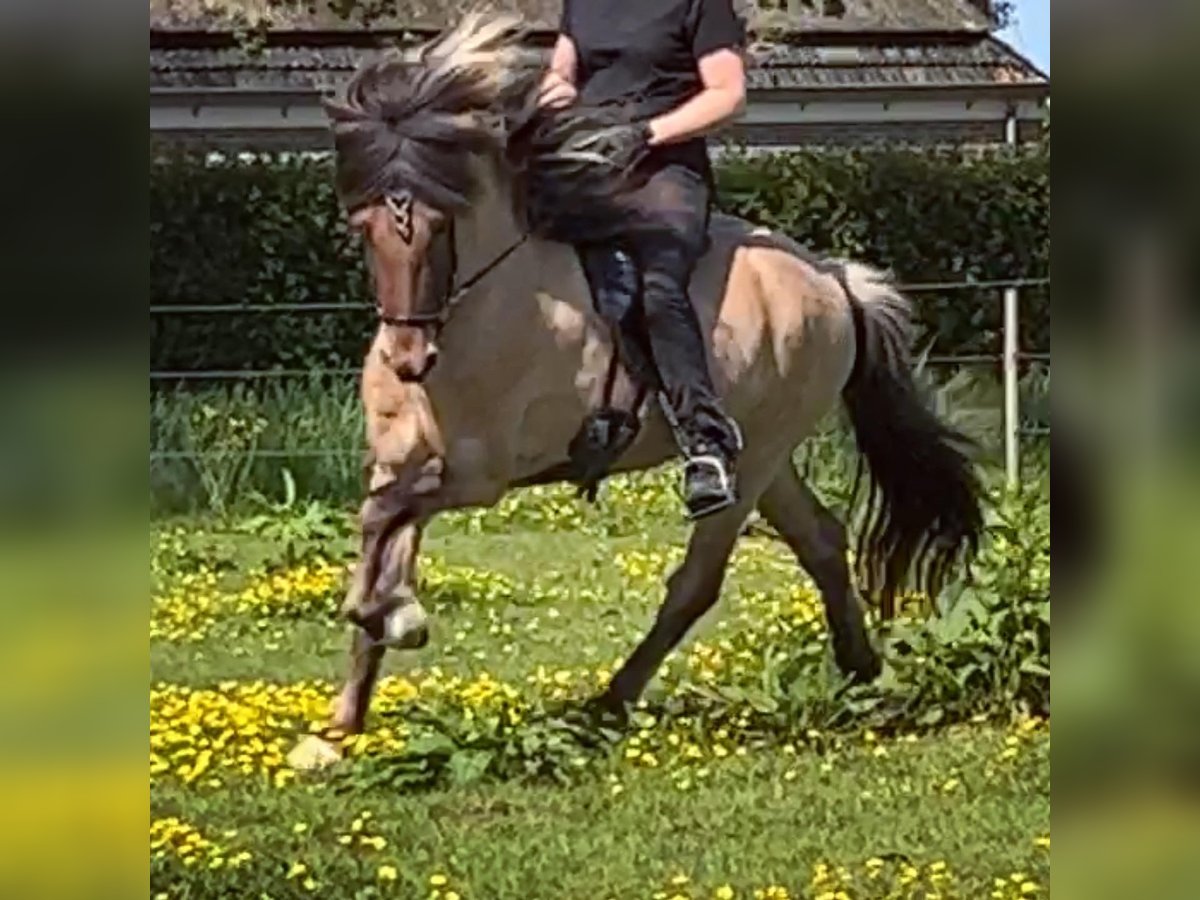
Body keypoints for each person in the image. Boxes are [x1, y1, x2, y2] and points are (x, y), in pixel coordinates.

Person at [536, 0, 748, 520]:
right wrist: (551, 97)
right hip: (590, 162)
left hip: (663, 170)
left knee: (656, 287)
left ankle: (706, 443)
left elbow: (727, 94)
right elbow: (563, 71)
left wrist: (646, 133)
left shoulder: (700, 5)